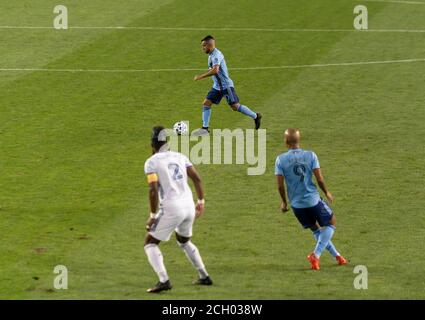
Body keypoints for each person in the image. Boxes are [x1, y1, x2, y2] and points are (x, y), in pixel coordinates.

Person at [143, 126, 213, 293]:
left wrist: (153, 215)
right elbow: (196, 178)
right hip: (189, 205)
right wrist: (201, 201)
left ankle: (164, 280)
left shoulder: (151, 162)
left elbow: (153, 189)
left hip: (172, 208)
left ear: (152, 144)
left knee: (150, 243)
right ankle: (204, 276)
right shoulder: (180, 156)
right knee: (183, 241)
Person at [275, 128, 347, 270]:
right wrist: (326, 192)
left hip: (296, 205)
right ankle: (316, 255)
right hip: (313, 200)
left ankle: (338, 257)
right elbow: (319, 179)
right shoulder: (311, 155)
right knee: (332, 223)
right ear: (299, 140)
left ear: (285, 141)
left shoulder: (280, 159)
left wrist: (284, 202)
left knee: (316, 231)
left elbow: (280, 186)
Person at [193, 35, 262, 136]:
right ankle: (205, 129)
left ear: (210, 45)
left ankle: (256, 116)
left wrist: (201, 76)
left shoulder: (216, 55)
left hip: (226, 86)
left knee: (235, 106)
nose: (202, 48)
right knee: (206, 103)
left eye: (204, 45)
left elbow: (215, 70)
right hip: (217, 86)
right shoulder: (210, 55)